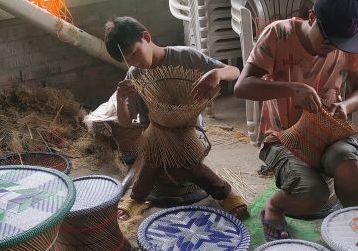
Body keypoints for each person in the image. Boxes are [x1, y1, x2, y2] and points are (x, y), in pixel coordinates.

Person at [234, 0, 358, 241]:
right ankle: (275, 206)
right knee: (313, 195)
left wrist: (346, 106)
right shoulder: (279, 34)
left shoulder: (349, 45)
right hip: (284, 136)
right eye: (328, 40)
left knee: (353, 172)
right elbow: (242, 86)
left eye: (340, 43)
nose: (333, 48)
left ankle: (346, 219)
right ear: (312, 18)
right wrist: (290, 89)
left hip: (329, 133)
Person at [104, 16, 249, 220]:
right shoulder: (135, 74)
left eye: (135, 54)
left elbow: (234, 71)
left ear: (146, 37)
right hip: (157, 132)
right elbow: (126, 122)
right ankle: (137, 198)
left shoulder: (186, 57)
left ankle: (225, 193)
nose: (134, 62)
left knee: (185, 163)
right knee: (153, 159)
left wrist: (217, 74)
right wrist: (120, 99)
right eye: (128, 60)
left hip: (187, 132)